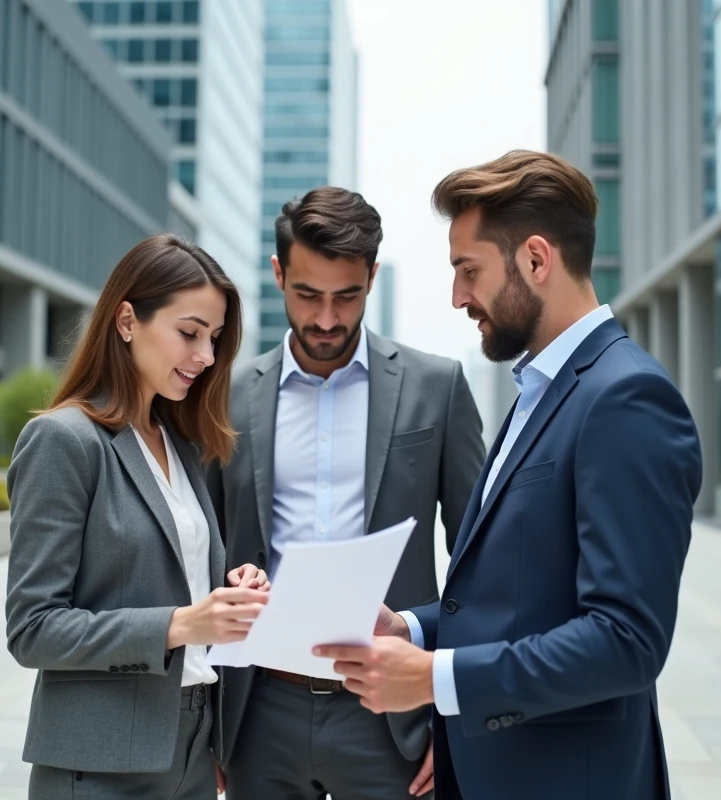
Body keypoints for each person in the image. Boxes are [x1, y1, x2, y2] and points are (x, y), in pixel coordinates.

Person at [315, 151, 703, 800]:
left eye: (469, 270)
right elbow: (523, 600)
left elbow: (626, 639)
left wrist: (436, 679)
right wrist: (408, 629)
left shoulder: (625, 398)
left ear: (535, 260)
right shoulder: (537, 392)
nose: (458, 296)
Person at [207, 187, 487, 800]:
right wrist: (208, 726)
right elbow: (197, 557)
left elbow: (482, 565)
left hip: (394, 716)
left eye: (347, 296)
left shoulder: (436, 387)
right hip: (258, 713)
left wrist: (457, 715)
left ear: (371, 277)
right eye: (307, 295)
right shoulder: (223, 396)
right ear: (278, 273)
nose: (327, 319)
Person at [4, 234, 271, 800]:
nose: (206, 356)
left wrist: (227, 590)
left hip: (194, 746)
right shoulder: (63, 441)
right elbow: (32, 630)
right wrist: (180, 624)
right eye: (190, 332)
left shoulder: (180, 444)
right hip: (100, 764)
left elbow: (168, 574)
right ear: (127, 320)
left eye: (216, 339)